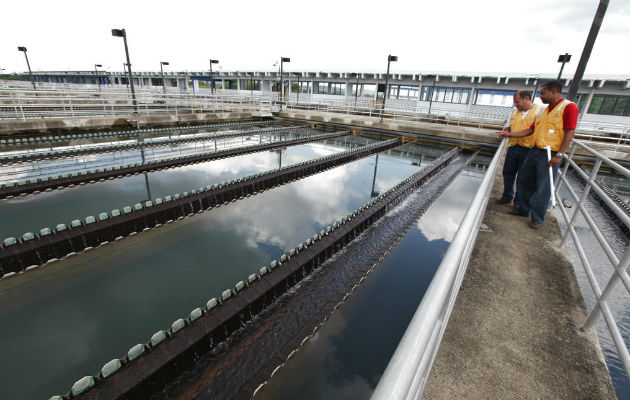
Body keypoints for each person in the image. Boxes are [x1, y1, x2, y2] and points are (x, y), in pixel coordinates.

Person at [498, 80, 578, 229]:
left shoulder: (568, 107)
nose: (541, 96)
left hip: (550, 152)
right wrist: (508, 134)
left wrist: (559, 154)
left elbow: (570, 131)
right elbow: (529, 130)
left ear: (554, 91)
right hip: (534, 150)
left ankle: (537, 218)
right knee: (524, 180)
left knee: (543, 186)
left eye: (543, 93)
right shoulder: (544, 111)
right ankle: (523, 209)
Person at [497, 91, 544, 205]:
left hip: (529, 149)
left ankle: (519, 202)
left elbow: (531, 131)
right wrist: (506, 131)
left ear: (527, 99)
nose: (516, 105)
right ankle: (507, 196)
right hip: (513, 146)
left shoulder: (540, 111)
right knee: (508, 173)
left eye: (517, 102)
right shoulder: (514, 111)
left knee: (523, 178)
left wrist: (509, 134)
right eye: (515, 103)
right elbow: (510, 127)